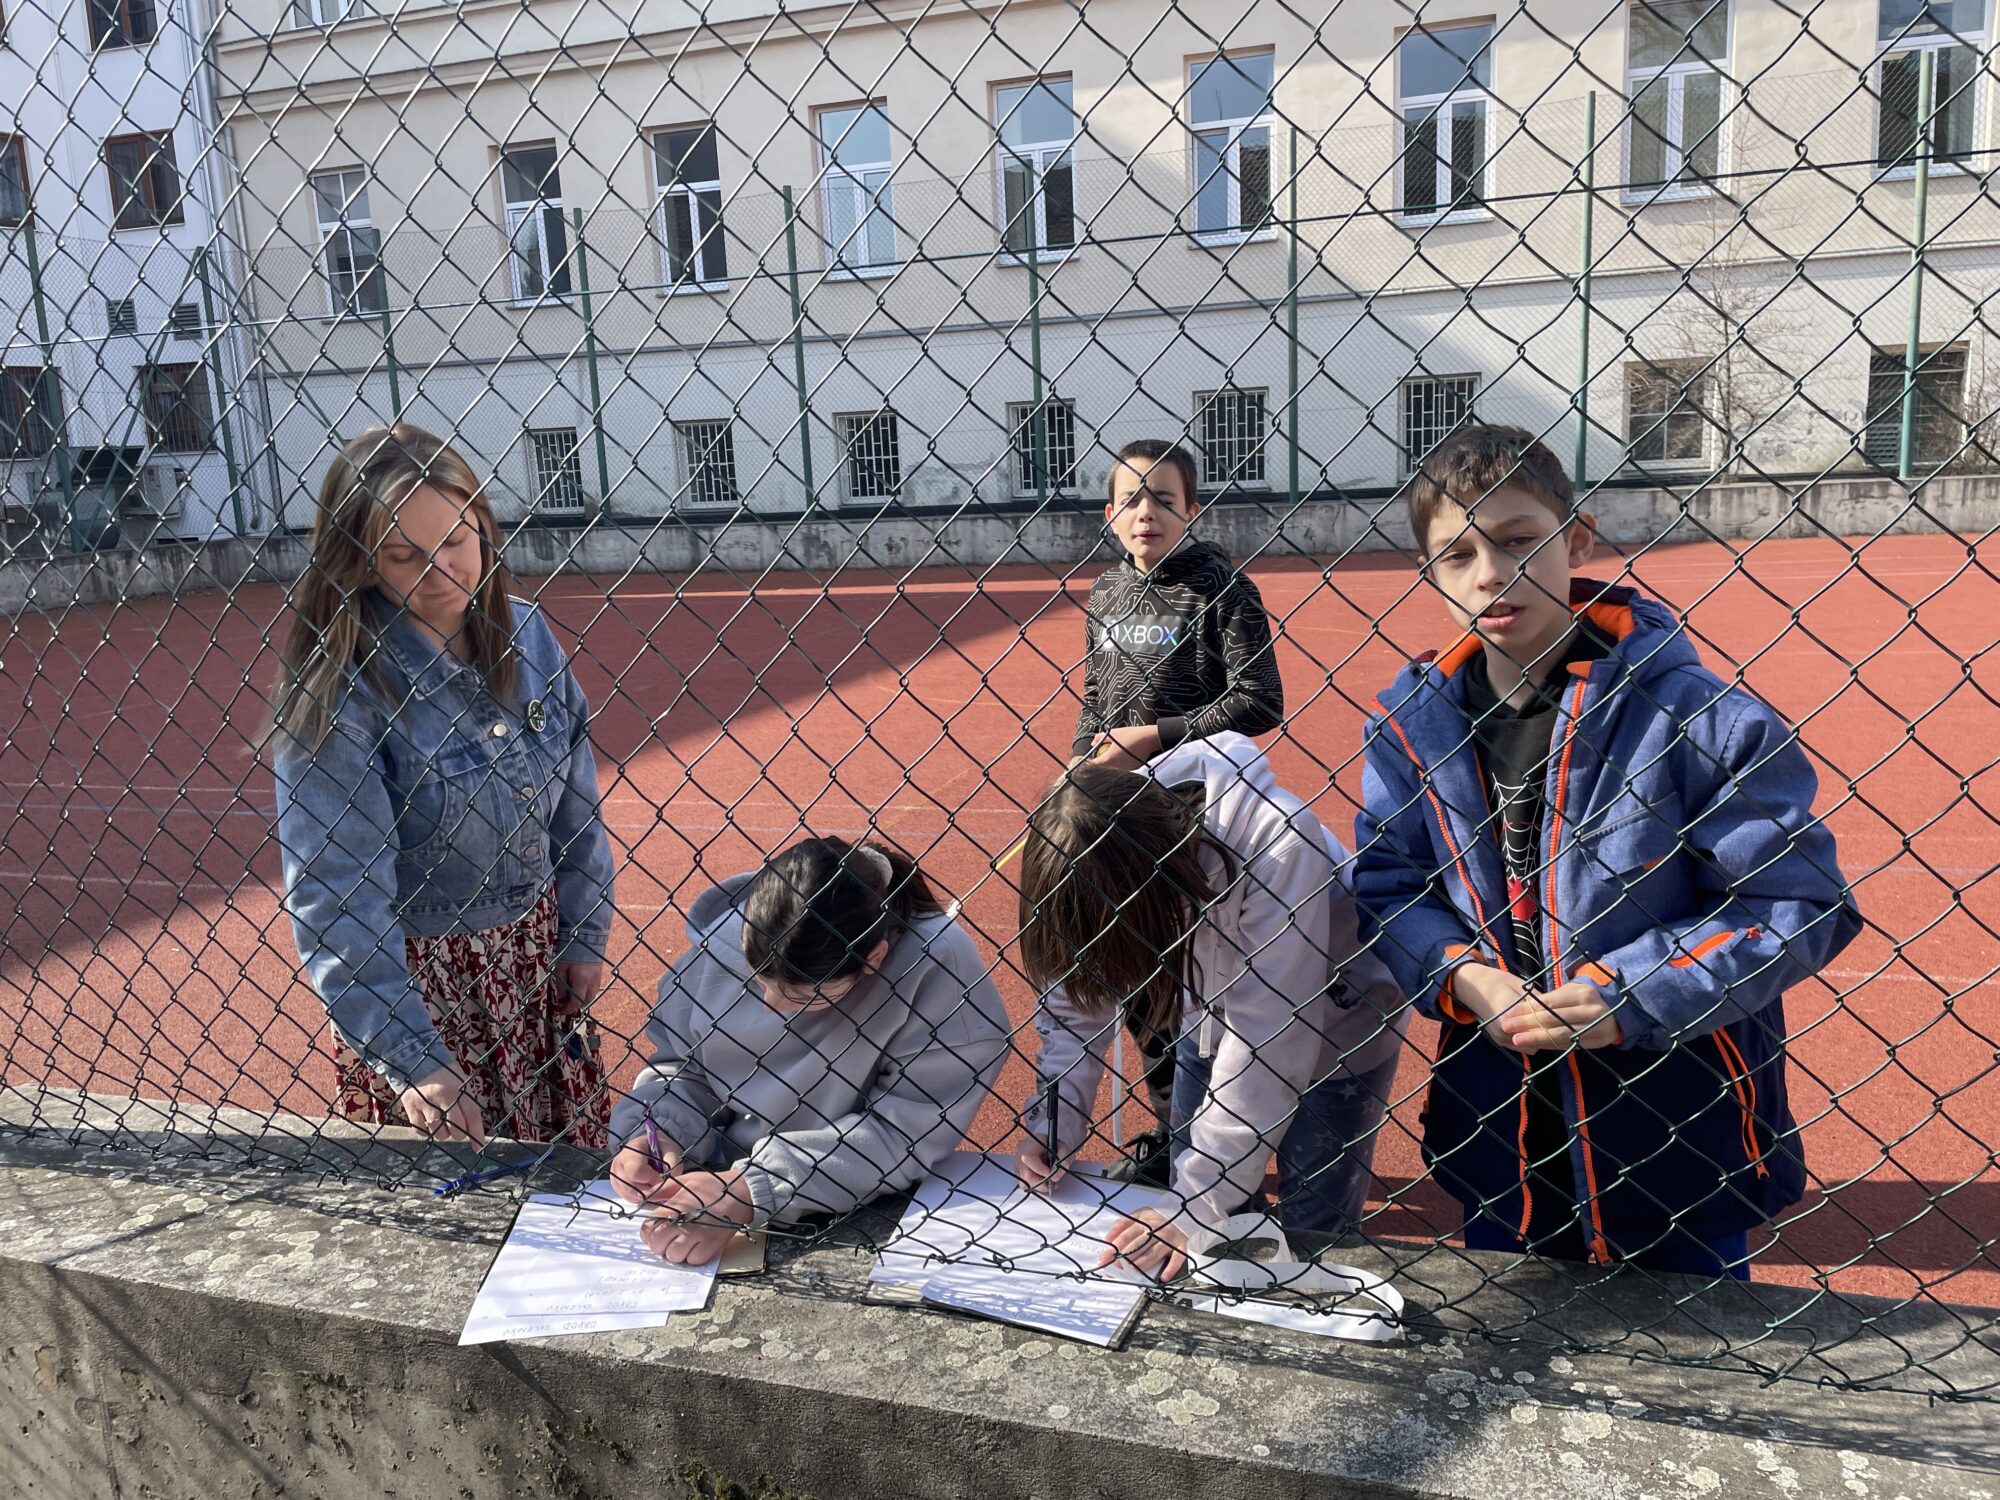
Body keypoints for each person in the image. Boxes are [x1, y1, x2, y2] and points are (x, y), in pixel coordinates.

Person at [1352, 423, 1862, 1277]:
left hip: (1676, 1125)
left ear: (1577, 539)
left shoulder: (1701, 718)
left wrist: (1631, 995)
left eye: (1519, 541)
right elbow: (1387, 881)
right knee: (1506, 1329)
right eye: (1458, 554)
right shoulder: (1411, 726)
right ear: (1428, 569)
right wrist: (1463, 976)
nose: (1490, 574)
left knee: (1696, 1342)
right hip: (1500, 1127)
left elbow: (1797, 902)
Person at [269, 423, 616, 1151]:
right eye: (405, 556)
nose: (443, 571)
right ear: (358, 558)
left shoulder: (527, 635)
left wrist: (583, 932)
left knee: (563, 1186)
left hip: (535, 965)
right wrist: (412, 1058)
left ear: (484, 527)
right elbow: (336, 890)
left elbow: (576, 804)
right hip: (425, 994)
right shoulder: (345, 688)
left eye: (457, 540)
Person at [1013, 733, 1406, 1280]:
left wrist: (1194, 1205)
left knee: (1314, 1223)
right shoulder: (1093, 851)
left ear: (1155, 893)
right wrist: (1054, 1121)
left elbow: (1268, 1036)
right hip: (1209, 1015)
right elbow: (1077, 995)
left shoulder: (1278, 843)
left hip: (1343, 1020)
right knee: (1200, 1203)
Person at [608, 837, 1010, 1265]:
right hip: (714, 1186)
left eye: (803, 997)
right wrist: (661, 1129)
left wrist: (749, 1190)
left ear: (873, 959)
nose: (771, 1005)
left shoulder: (938, 967)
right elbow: (684, 1066)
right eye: (757, 979)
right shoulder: (732, 934)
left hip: (862, 1199)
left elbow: (903, 1134)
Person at [1070, 438, 1287, 1188]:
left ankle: (1225, 1133)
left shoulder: (1221, 588)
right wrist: (1083, 766)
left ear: (1191, 509)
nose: (1146, 513)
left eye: (1164, 498)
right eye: (1131, 498)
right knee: (1140, 976)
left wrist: (1155, 736)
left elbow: (1260, 701)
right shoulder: (1106, 592)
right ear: (1109, 513)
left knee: (1204, 979)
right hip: (1122, 819)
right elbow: (1094, 697)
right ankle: (1172, 1130)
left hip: (1198, 812)